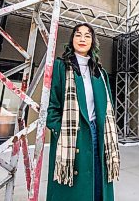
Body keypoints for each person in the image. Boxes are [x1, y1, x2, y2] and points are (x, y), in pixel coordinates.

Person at [46, 23, 120, 201]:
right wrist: (60, 129)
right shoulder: (60, 66)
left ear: (93, 42)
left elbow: (108, 106)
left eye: (87, 36)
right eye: (78, 35)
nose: (82, 39)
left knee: (96, 182)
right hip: (71, 135)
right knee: (74, 189)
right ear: (72, 40)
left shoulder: (99, 72)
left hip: (97, 133)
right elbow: (51, 106)